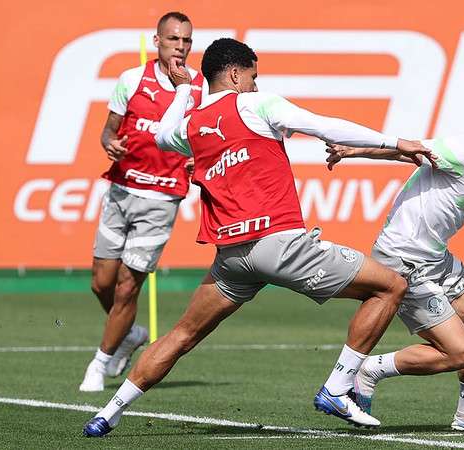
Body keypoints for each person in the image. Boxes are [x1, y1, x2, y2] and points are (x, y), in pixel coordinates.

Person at [82, 37, 435, 437]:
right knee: (391, 286)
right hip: (279, 243)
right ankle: (338, 387)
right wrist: (396, 142)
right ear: (235, 73)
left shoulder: (192, 125)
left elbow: (162, 136)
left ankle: (108, 412)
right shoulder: (256, 103)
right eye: (252, 76)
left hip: (232, 258)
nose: (255, 83)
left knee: (182, 335)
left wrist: (182, 90)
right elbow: (322, 125)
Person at [323, 99, 464, 432]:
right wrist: (351, 151)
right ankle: (369, 370)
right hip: (403, 260)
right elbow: (410, 151)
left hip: (435, 259)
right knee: (460, 353)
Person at [79, 12, 207, 392]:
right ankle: (131, 334)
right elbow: (108, 131)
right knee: (101, 283)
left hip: (162, 197)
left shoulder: (200, 86)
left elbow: (208, 135)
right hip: (120, 191)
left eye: (186, 40)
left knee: (126, 287)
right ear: (157, 41)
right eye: (173, 39)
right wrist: (110, 144)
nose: (180, 47)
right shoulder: (131, 80)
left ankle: (99, 365)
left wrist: (196, 158)